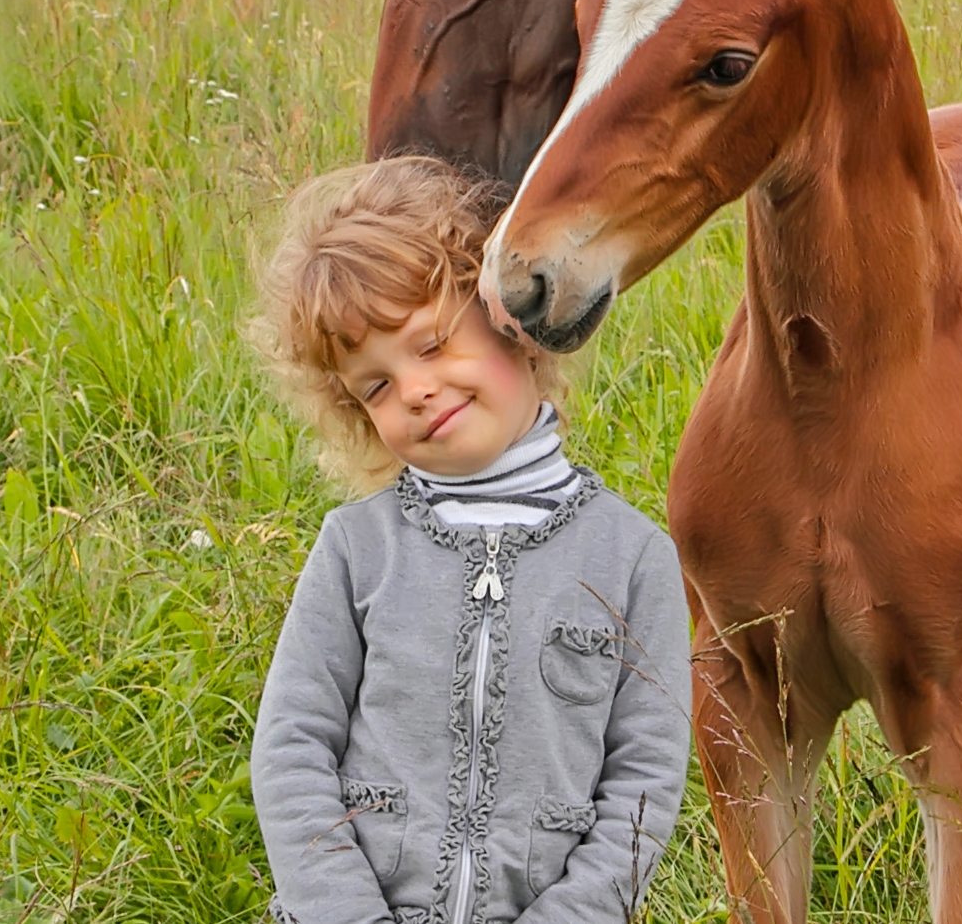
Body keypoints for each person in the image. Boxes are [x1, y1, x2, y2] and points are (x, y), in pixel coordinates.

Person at [249, 155, 689, 924]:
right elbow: (290, 749)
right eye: (375, 386)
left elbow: (644, 780)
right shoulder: (357, 549)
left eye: (430, 344)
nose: (414, 390)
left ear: (509, 316)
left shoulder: (633, 559)